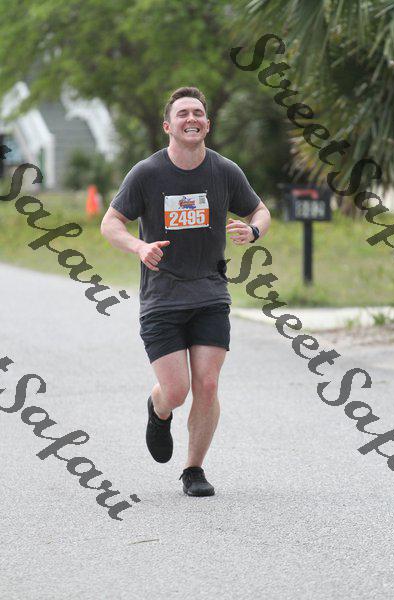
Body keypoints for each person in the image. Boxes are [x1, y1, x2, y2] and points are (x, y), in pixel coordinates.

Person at [101, 86, 271, 497]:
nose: (191, 119)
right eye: (182, 114)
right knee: (176, 392)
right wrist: (139, 247)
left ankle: (193, 469)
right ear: (168, 126)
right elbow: (110, 223)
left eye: (197, 113)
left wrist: (252, 231)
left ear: (207, 125)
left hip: (210, 294)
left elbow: (260, 211)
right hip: (162, 299)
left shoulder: (224, 171)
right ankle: (158, 409)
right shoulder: (147, 173)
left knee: (207, 386)